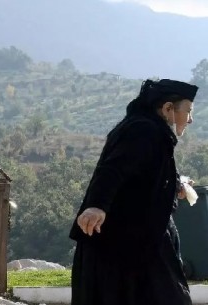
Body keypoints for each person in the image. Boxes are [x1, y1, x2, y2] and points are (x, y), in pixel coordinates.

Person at [69, 78, 198, 305]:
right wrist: (96, 205)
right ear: (168, 108)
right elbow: (114, 169)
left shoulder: (151, 131)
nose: (190, 119)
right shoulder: (144, 130)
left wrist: (176, 184)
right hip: (122, 248)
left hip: (139, 245)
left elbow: (143, 174)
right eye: (187, 111)